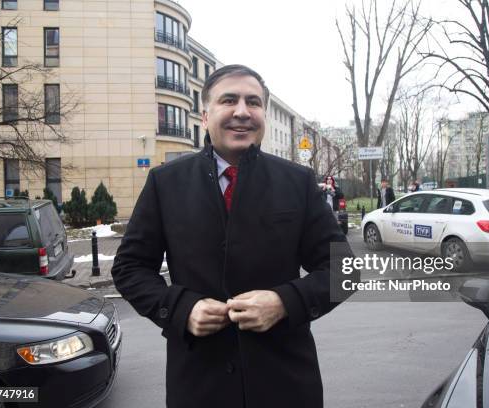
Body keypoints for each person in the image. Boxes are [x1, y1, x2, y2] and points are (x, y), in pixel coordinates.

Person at [111, 65, 356, 408]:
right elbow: (130, 268)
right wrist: (181, 309)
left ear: (263, 115)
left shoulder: (297, 182)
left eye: (253, 102)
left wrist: (284, 302)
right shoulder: (165, 183)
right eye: (229, 100)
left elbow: (344, 269)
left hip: (285, 385)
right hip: (199, 385)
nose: (242, 112)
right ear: (205, 113)